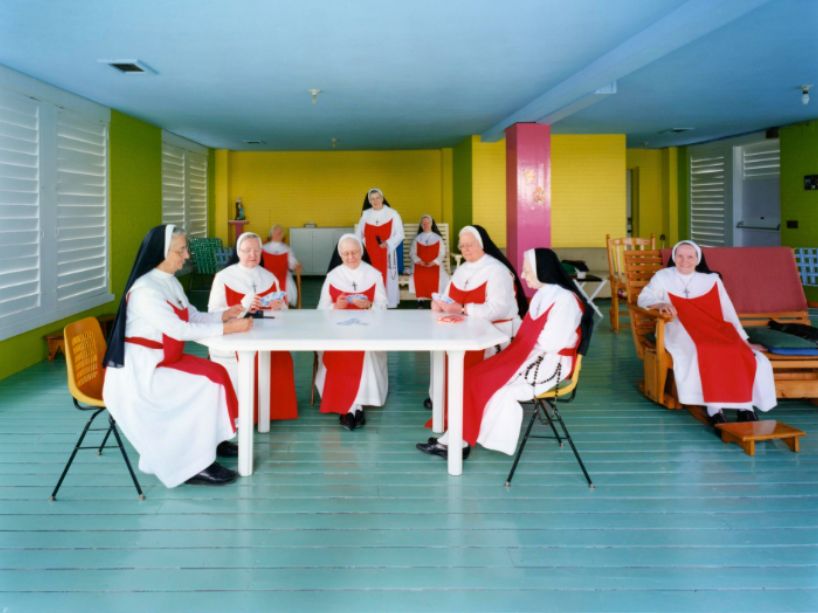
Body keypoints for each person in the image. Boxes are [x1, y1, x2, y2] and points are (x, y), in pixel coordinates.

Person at [102, 224, 252, 487]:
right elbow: (180, 329)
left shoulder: (168, 281)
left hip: (164, 358)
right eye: (181, 250)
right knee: (204, 385)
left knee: (216, 373)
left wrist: (224, 314)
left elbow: (190, 314)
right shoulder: (145, 291)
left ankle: (211, 441)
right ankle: (193, 464)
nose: (186, 256)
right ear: (162, 252)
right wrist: (229, 328)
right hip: (143, 370)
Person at [417, 248, 593, 459]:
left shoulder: (565, 300)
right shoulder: (544, 295)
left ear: (542, 271)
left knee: (491, 386)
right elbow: (534, 336)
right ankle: (455, 438)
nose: (524, 275)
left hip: (550, 363)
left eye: (528, 270)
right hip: (531, 355)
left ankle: (456, 442)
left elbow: (551, 343)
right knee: (471, 376)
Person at [637, 239, 776, 425]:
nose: (684, 260)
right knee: (706, 348)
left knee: (739, 351)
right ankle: (714, 409)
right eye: (679, 256)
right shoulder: (663, 276)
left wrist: (743, 340)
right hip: (679, 328)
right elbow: (644, 298)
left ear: (698, 259)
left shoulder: (711, 280)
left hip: (714, 326)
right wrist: (661, 303)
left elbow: (728, 311)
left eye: (690, 256)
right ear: (673, 257)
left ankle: (745, 407)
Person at [209, 232, 298, 422]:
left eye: (257, 250)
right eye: (247, 250)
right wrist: (243, 304)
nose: (252, 255)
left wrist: (280, 307)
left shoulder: (269, 277)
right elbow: (213, 312)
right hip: (237, 333)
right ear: (238, 252)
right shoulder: (224, 277)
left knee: (281, 358)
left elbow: (283, 309)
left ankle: (271, 412)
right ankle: (243, 414)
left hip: (267, 332)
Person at [315, 234, 388, 429]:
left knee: (364, 351)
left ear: (361, 251)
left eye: (354, 252)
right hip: (337, 329)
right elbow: (321, 309)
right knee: (340, 350)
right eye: (346, 253)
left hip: (368, 328)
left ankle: (358, 405)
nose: (350, 257)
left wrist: (369, 305)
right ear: (340, 254)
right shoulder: (333, 276)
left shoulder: (374, 274)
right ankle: (348, 408)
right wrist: (335, 307)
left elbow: (383, 306)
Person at [355, 187, 404, 308]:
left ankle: (387, 303)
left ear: (382, 198)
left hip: (386, 254)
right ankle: (371, 302)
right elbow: (358, 234)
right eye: (372, 199)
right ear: (369, 201)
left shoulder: (393, 214)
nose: (375, 201)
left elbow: (400, 234)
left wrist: (388, 243)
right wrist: (361, 245)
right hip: (369, 254)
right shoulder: (366, 215)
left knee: (386, 279)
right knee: (369, 277)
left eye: (377, 198)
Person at [409, 214, 449, 307]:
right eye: (424, 223)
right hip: (420, 265)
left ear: (431, 224)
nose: (426, 225)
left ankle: (436, 299)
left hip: (435, 265)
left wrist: (434, 262)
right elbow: (412, 253)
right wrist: (418, 261)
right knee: (419, 276)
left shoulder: (438, 238)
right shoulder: (417, 238)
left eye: (427, 223)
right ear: (421, 225)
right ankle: (420, 300)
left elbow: (442, 253)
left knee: (443, 278)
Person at [261, 224, 302, 307]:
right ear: (271, 234)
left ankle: (285, 306)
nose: (279, 234)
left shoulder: (286, 249)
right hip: (266, 275)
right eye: (276, 232)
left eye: (280, 232)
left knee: (288, 286)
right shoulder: (263, 248)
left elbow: (292, 263)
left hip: (283, 275)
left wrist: (296, 265)